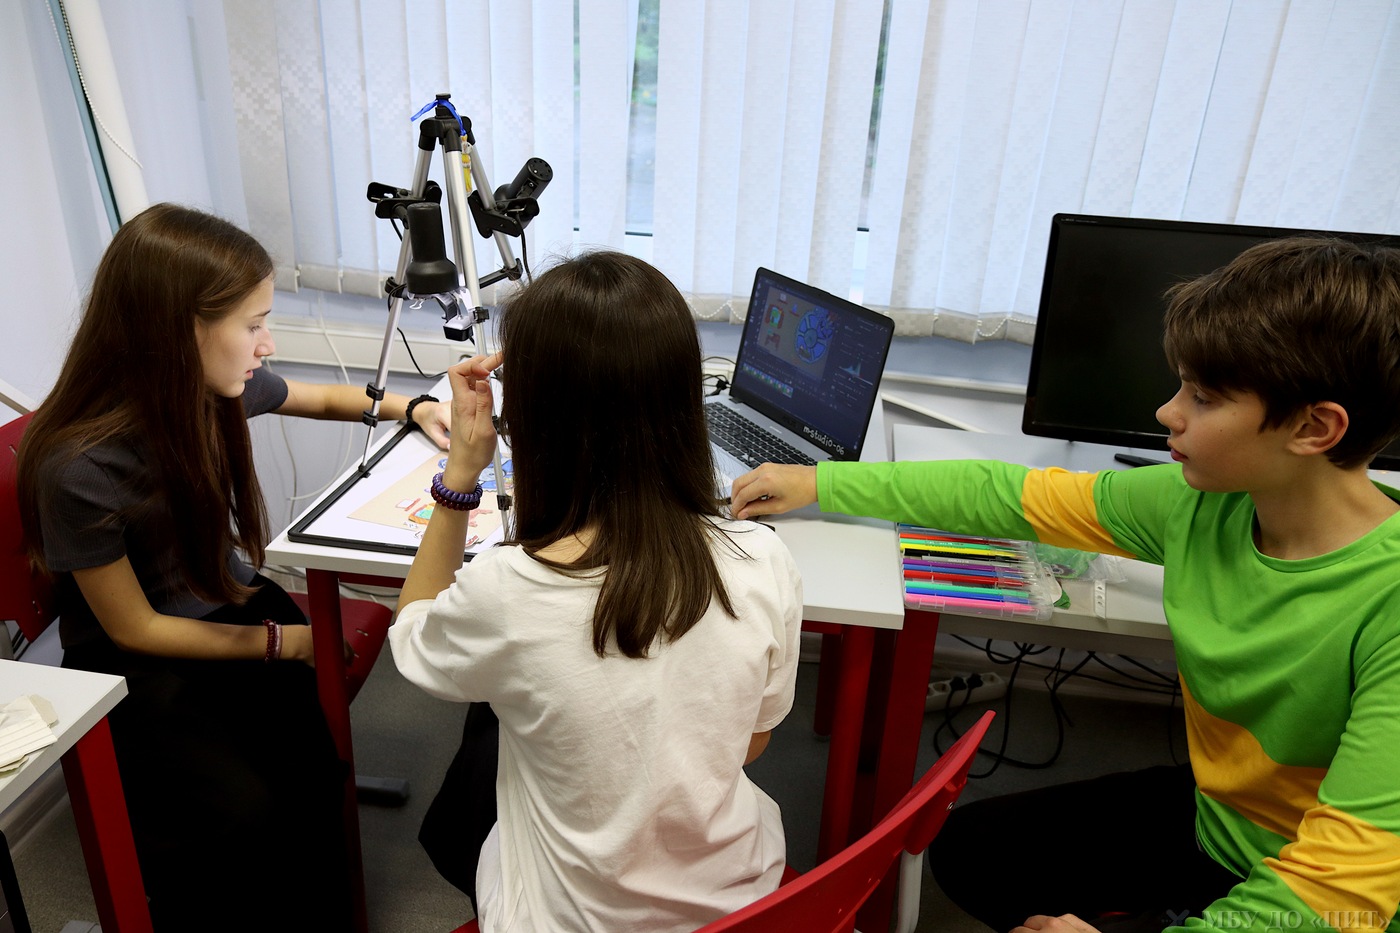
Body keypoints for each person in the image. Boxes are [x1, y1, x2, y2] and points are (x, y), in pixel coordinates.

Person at [730, 237, 1400, 933]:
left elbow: (1340, 895)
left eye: (1202, 398)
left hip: (1338, 896)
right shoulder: (1203, 505)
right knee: (968, 853)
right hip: (1222, 821)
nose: (1168, 413)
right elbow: (1008, 495)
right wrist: (821, 481)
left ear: (1315, 427)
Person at [15, 202, 451, 929]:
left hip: (221, 606)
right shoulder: (79, 465)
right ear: (176, 330)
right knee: (240, 815)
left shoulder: (205, 391)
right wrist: (285, 642)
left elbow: (322, 396)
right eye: (253, 325)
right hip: (139, 660)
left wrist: (414, 408)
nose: (267, 344)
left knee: (312, 772)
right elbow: (135, 629)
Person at [389, 251, 803, 932]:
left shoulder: (507, 590)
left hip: (568, 919)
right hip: (739, 902)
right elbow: (750, 744)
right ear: (683, 401)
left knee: (490, 728)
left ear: (534, 422)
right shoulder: (764, 557)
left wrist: (461, 471)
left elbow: (412, 636)